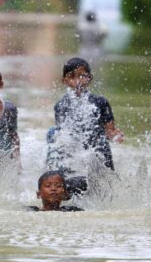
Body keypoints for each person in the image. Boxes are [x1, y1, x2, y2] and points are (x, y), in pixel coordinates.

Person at [46, 57, 123, 186]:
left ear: (89, 78)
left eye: (82, 76)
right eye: (72, 77)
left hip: (97, 150)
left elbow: (110, 130)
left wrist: (115, 136)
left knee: (105, 184)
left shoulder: (100, 102)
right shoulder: (60, 105)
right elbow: (63, 134)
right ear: (64, 81)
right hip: (72, 153)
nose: (78, 81)